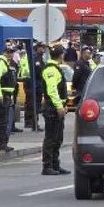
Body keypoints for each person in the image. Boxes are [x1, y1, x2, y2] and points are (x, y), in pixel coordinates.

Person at [41, 45, 70, 175]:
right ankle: (47, 166)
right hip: (52, 108)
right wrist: (59, 106)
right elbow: (52, 90)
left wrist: (63, 105)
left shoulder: (55, 68)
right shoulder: (51, 70)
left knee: (57, 138)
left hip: (57, 107)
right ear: (60, 55)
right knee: (51, 138)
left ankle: (55, 164)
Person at [0, 47, 17, 153]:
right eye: (8, 52)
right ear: (4, 52)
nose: (10, 54)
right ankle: (0, 144)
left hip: (7, 96)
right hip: (1, 96)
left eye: (12, 52)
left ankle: (3, 143)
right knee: (1, 121)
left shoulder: (6, 64)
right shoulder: (0, 63)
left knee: (5, 121)